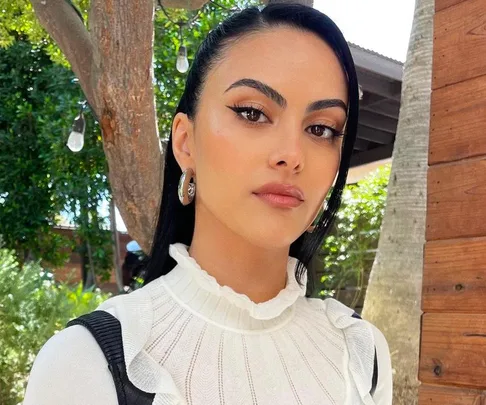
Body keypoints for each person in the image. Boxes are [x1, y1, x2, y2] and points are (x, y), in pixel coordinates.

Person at [23, 4, 393, 405]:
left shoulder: (361, 352)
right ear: (185, 142)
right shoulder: (87, 364)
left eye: (321, 129)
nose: (291, 154)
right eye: (252, 113)